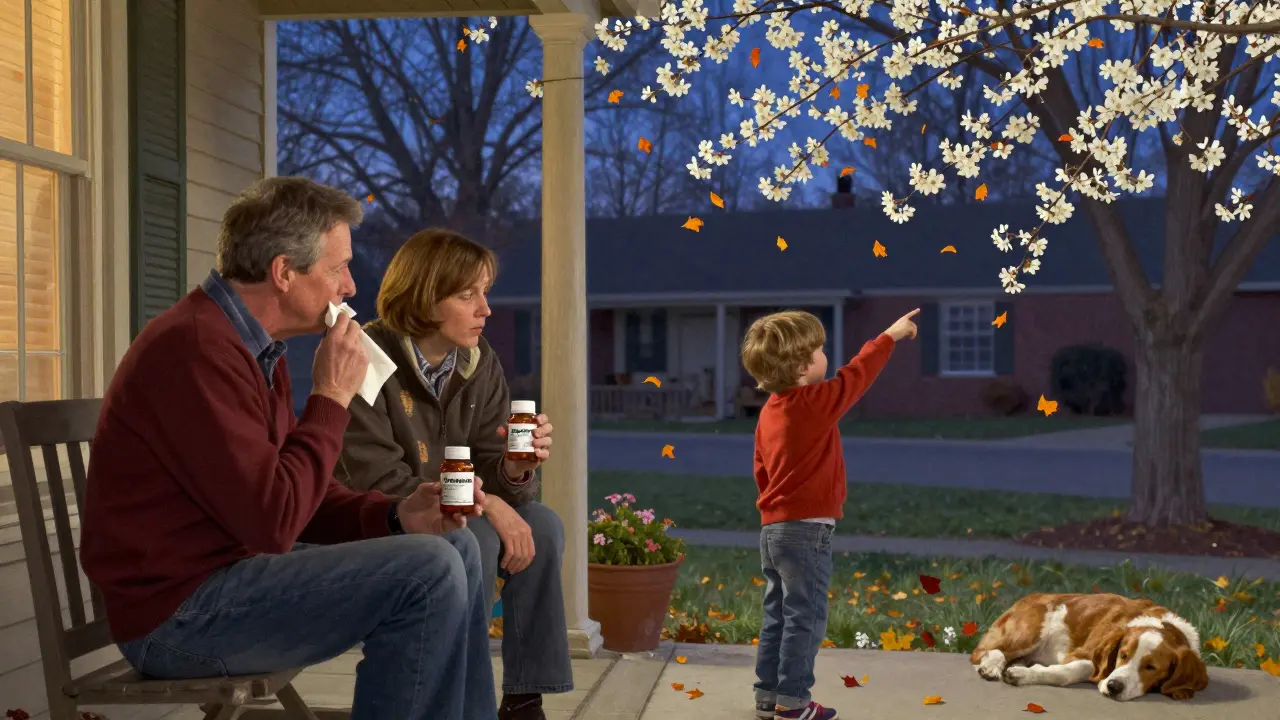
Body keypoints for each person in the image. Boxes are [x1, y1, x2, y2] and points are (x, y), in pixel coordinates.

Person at [78, 177, 498, 720]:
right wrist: (330, 397)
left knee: (456, 549)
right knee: (429, 571)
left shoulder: (254, 348)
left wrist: (396, 514)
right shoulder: (196, 350)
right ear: (283, 272)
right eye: (337, 268)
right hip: (177, 616)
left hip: (231, 579)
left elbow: (301, 501)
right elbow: (275, 522)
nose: (349, 286)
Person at [335, 228, 570, 720]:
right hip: (384, 519)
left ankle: (525, 698)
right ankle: (465, 697)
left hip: (460, 508)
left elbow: (492, 466)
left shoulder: (479, 364)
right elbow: (376, 478)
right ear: (424, 297)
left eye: (485, 292)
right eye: (468, 295)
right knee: (479, 540)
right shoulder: (367, 359)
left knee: (544, 527)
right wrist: (495, 504)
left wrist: (514, 468)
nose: (485, 309)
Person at [740, 308, 920, 720]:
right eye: (820, 350)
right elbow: (857, 376)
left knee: (777, 616)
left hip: (773, 530)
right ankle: (794, 702)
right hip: (806, 531)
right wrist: (889, 336)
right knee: (807, 617)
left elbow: (761, 469)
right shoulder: (813, 403)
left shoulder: (770, 410)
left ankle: (767, 694)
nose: (827, 355)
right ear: (802, 366)